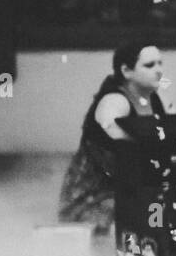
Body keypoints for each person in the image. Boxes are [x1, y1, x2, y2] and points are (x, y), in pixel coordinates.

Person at [58, 41, 167, 233]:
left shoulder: (153, 100)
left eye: (160, 64)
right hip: (91, 201)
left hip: (130, 193)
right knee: (142, 215)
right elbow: (108, 123)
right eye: (149, 65)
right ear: (126, 71)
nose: (158, 71)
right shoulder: (114, 100)